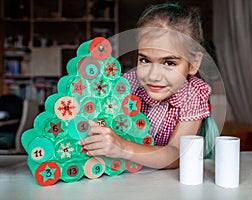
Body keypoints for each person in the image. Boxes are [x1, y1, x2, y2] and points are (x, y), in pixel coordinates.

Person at [79, 3, 212, 169]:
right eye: (145, 60)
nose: (153, 76)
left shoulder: (193, 94)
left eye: (169, 63)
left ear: (193, 63)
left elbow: (176, 155)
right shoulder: (127, 84)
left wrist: (122, 147)